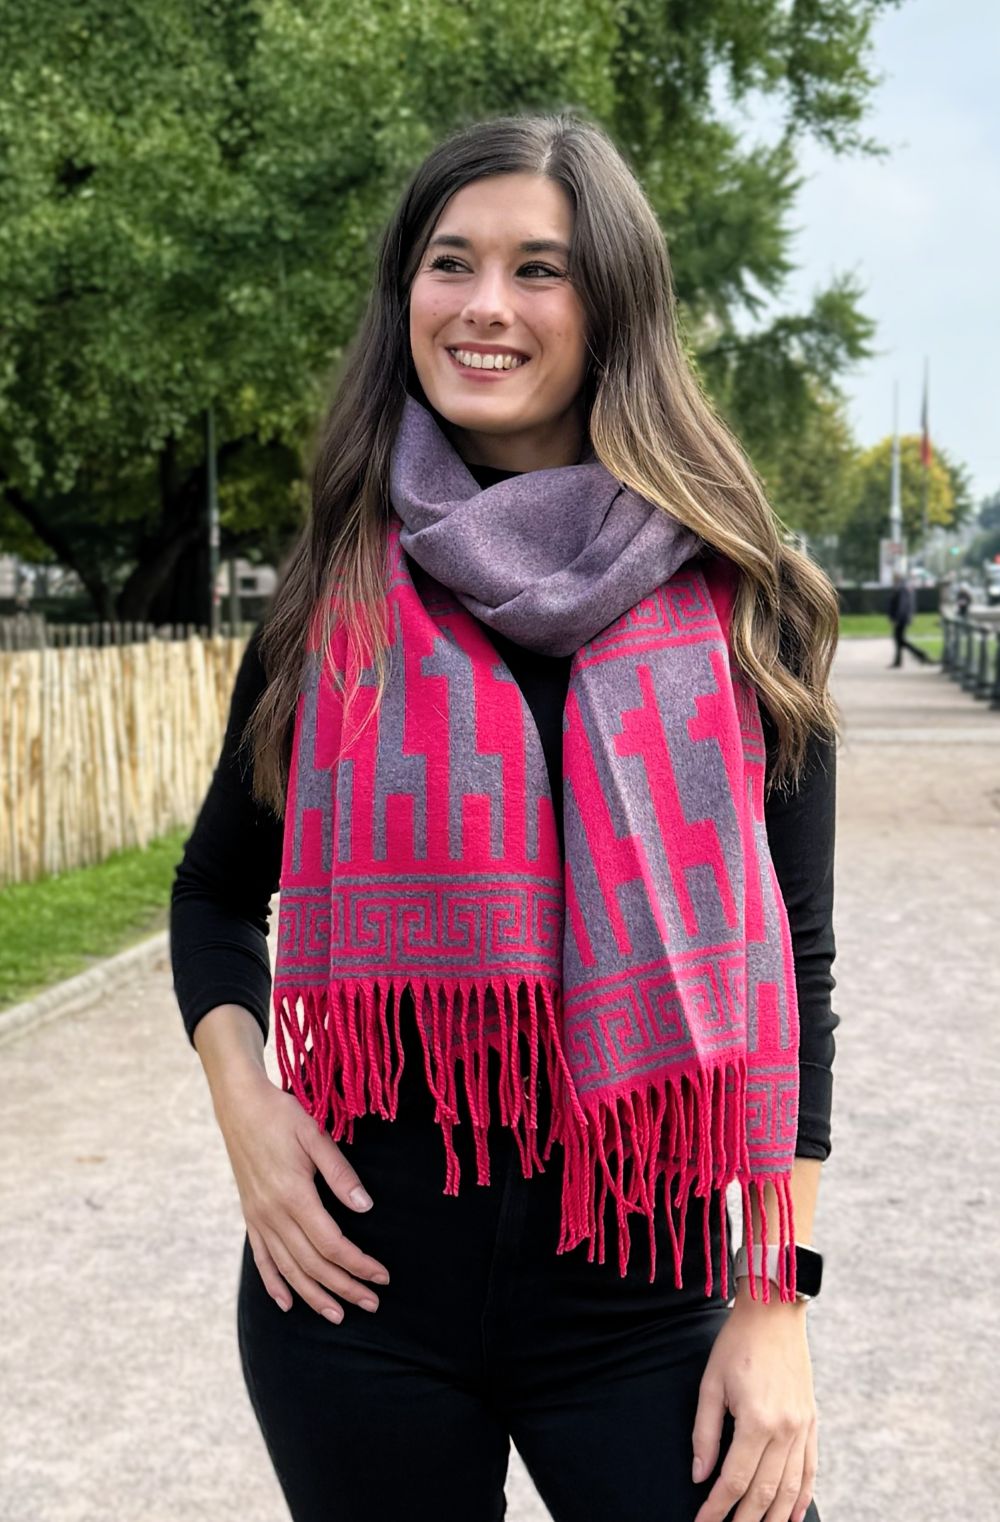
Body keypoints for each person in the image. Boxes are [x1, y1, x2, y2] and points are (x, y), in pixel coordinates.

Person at [170, 112, 840, 1522]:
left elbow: (801, 955)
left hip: (643, 1298)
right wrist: (249, 1111)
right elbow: (216, 891)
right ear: (405, 293)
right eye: (450, 262)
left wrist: (774, 1298)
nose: (485, 304)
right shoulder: (334, 596)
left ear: (612, 305)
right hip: (353, 1301)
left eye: (539, 268)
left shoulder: (745, 602)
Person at [887, 570, 932, 667]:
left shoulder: (901, 588)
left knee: (900, 639)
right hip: (902, 617)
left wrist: (897, 619)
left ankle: (920, 654)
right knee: (899, 639)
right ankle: (899, 661)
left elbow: (902, 605)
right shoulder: (903, 587)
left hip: (901, 618)